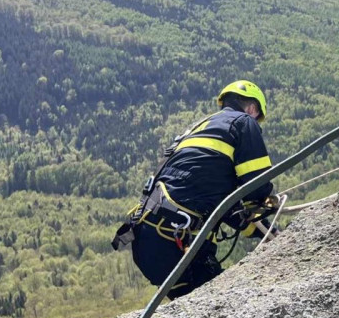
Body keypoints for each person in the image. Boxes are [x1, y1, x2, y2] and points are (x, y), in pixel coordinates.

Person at [114, 80, 276, 299]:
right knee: (223, 306)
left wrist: (264, 231)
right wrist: (270, 214)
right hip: (178, 240)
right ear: (252, 108)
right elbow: (257, 187)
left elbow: (228, 208)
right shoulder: (244, 122)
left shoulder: (197, 130)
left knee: (194, 304)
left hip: (148, 238)